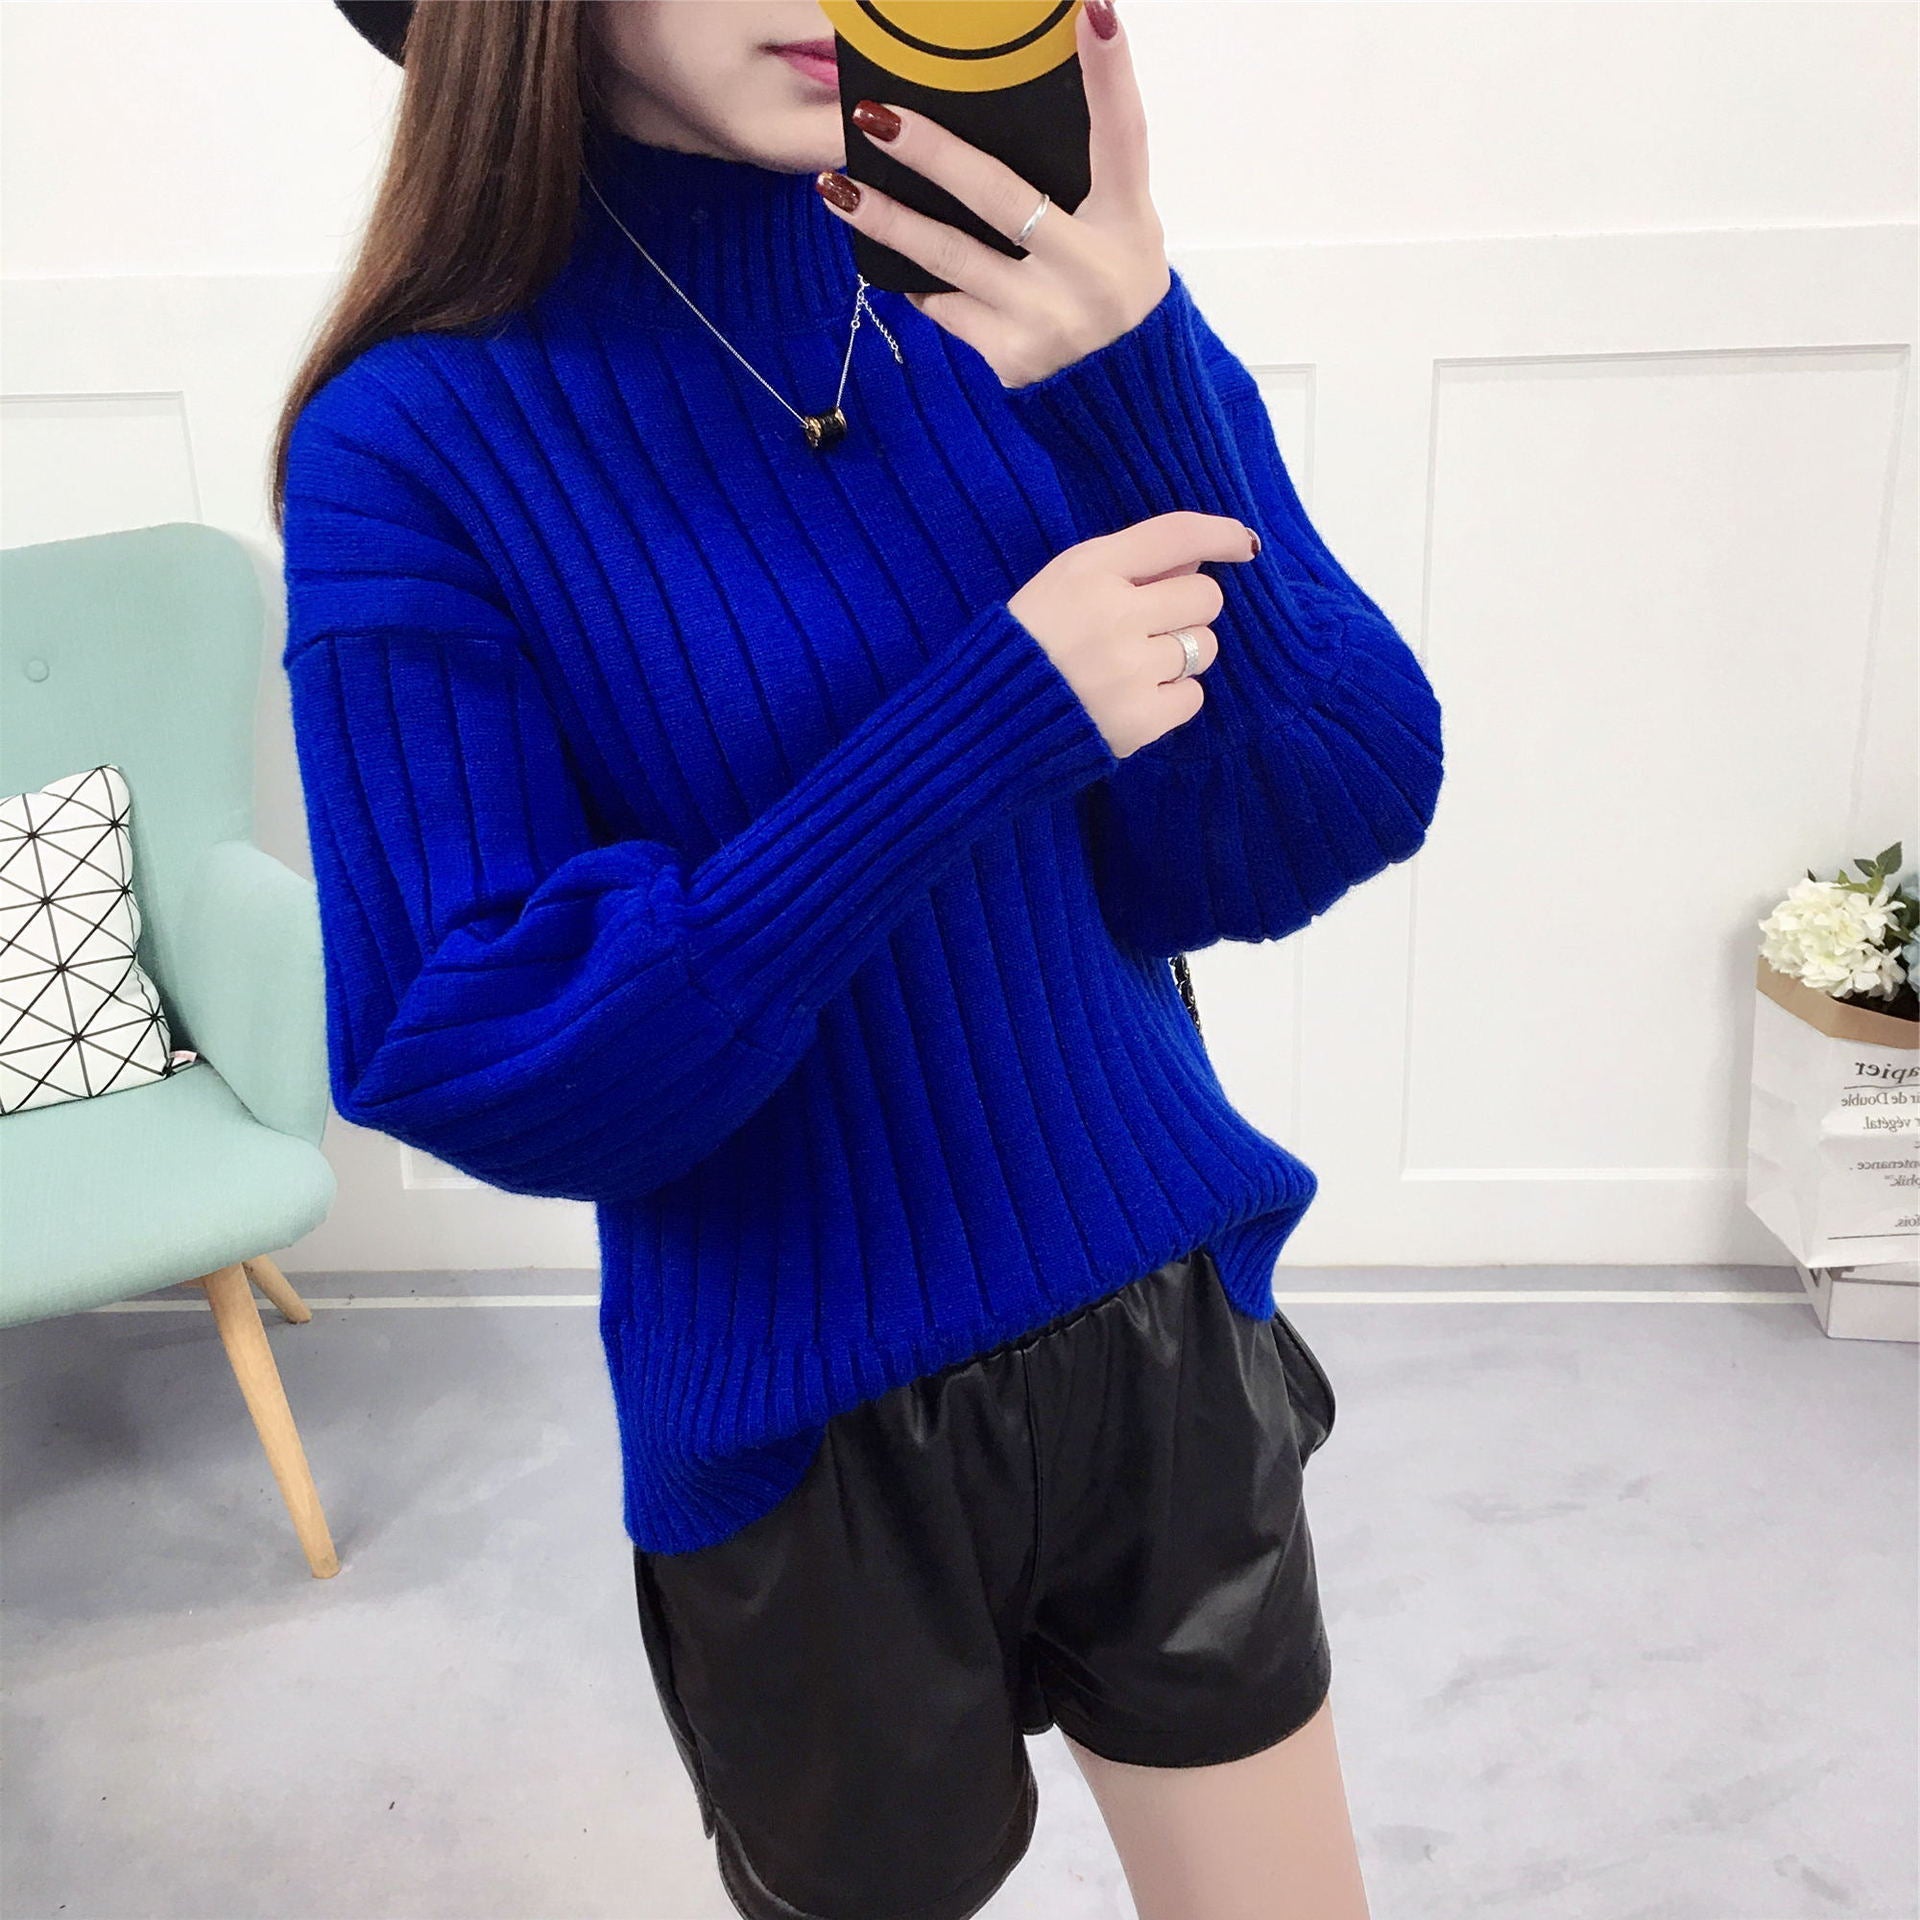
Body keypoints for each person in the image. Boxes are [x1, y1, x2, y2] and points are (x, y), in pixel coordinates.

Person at [273, 3, 1444, 1915]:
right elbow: (468, 1038)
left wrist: (1137, 371)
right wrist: (981, 730)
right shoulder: (412, 440)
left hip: (1160, 1324)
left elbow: (1327, 807)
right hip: (800, 1431)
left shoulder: (1029, 295)